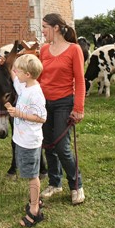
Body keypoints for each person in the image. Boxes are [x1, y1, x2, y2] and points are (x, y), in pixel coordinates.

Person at [38, 13, 86, 205]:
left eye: (44, 27)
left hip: (64, 103)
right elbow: (40, 78)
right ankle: (55, 183)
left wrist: (79, 108)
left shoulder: (74, 49)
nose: (42, 31)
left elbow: (80, 81)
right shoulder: (43, 50)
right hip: (44, 103)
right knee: (48, 144)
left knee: (62, 146)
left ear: (56, 27)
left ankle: (76, 186)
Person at [5, 54, 47, 228]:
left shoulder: (35, 93)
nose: (16, 73)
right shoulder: (25, 86)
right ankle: (34, 199)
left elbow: (42, 117)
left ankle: (35, 209)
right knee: (30, 173)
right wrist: (9, 64)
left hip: (30, 142)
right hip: (22, 140)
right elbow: (15, 77)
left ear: (28, 74)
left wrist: (18, 113)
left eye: (19, 70)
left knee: (32, 176)